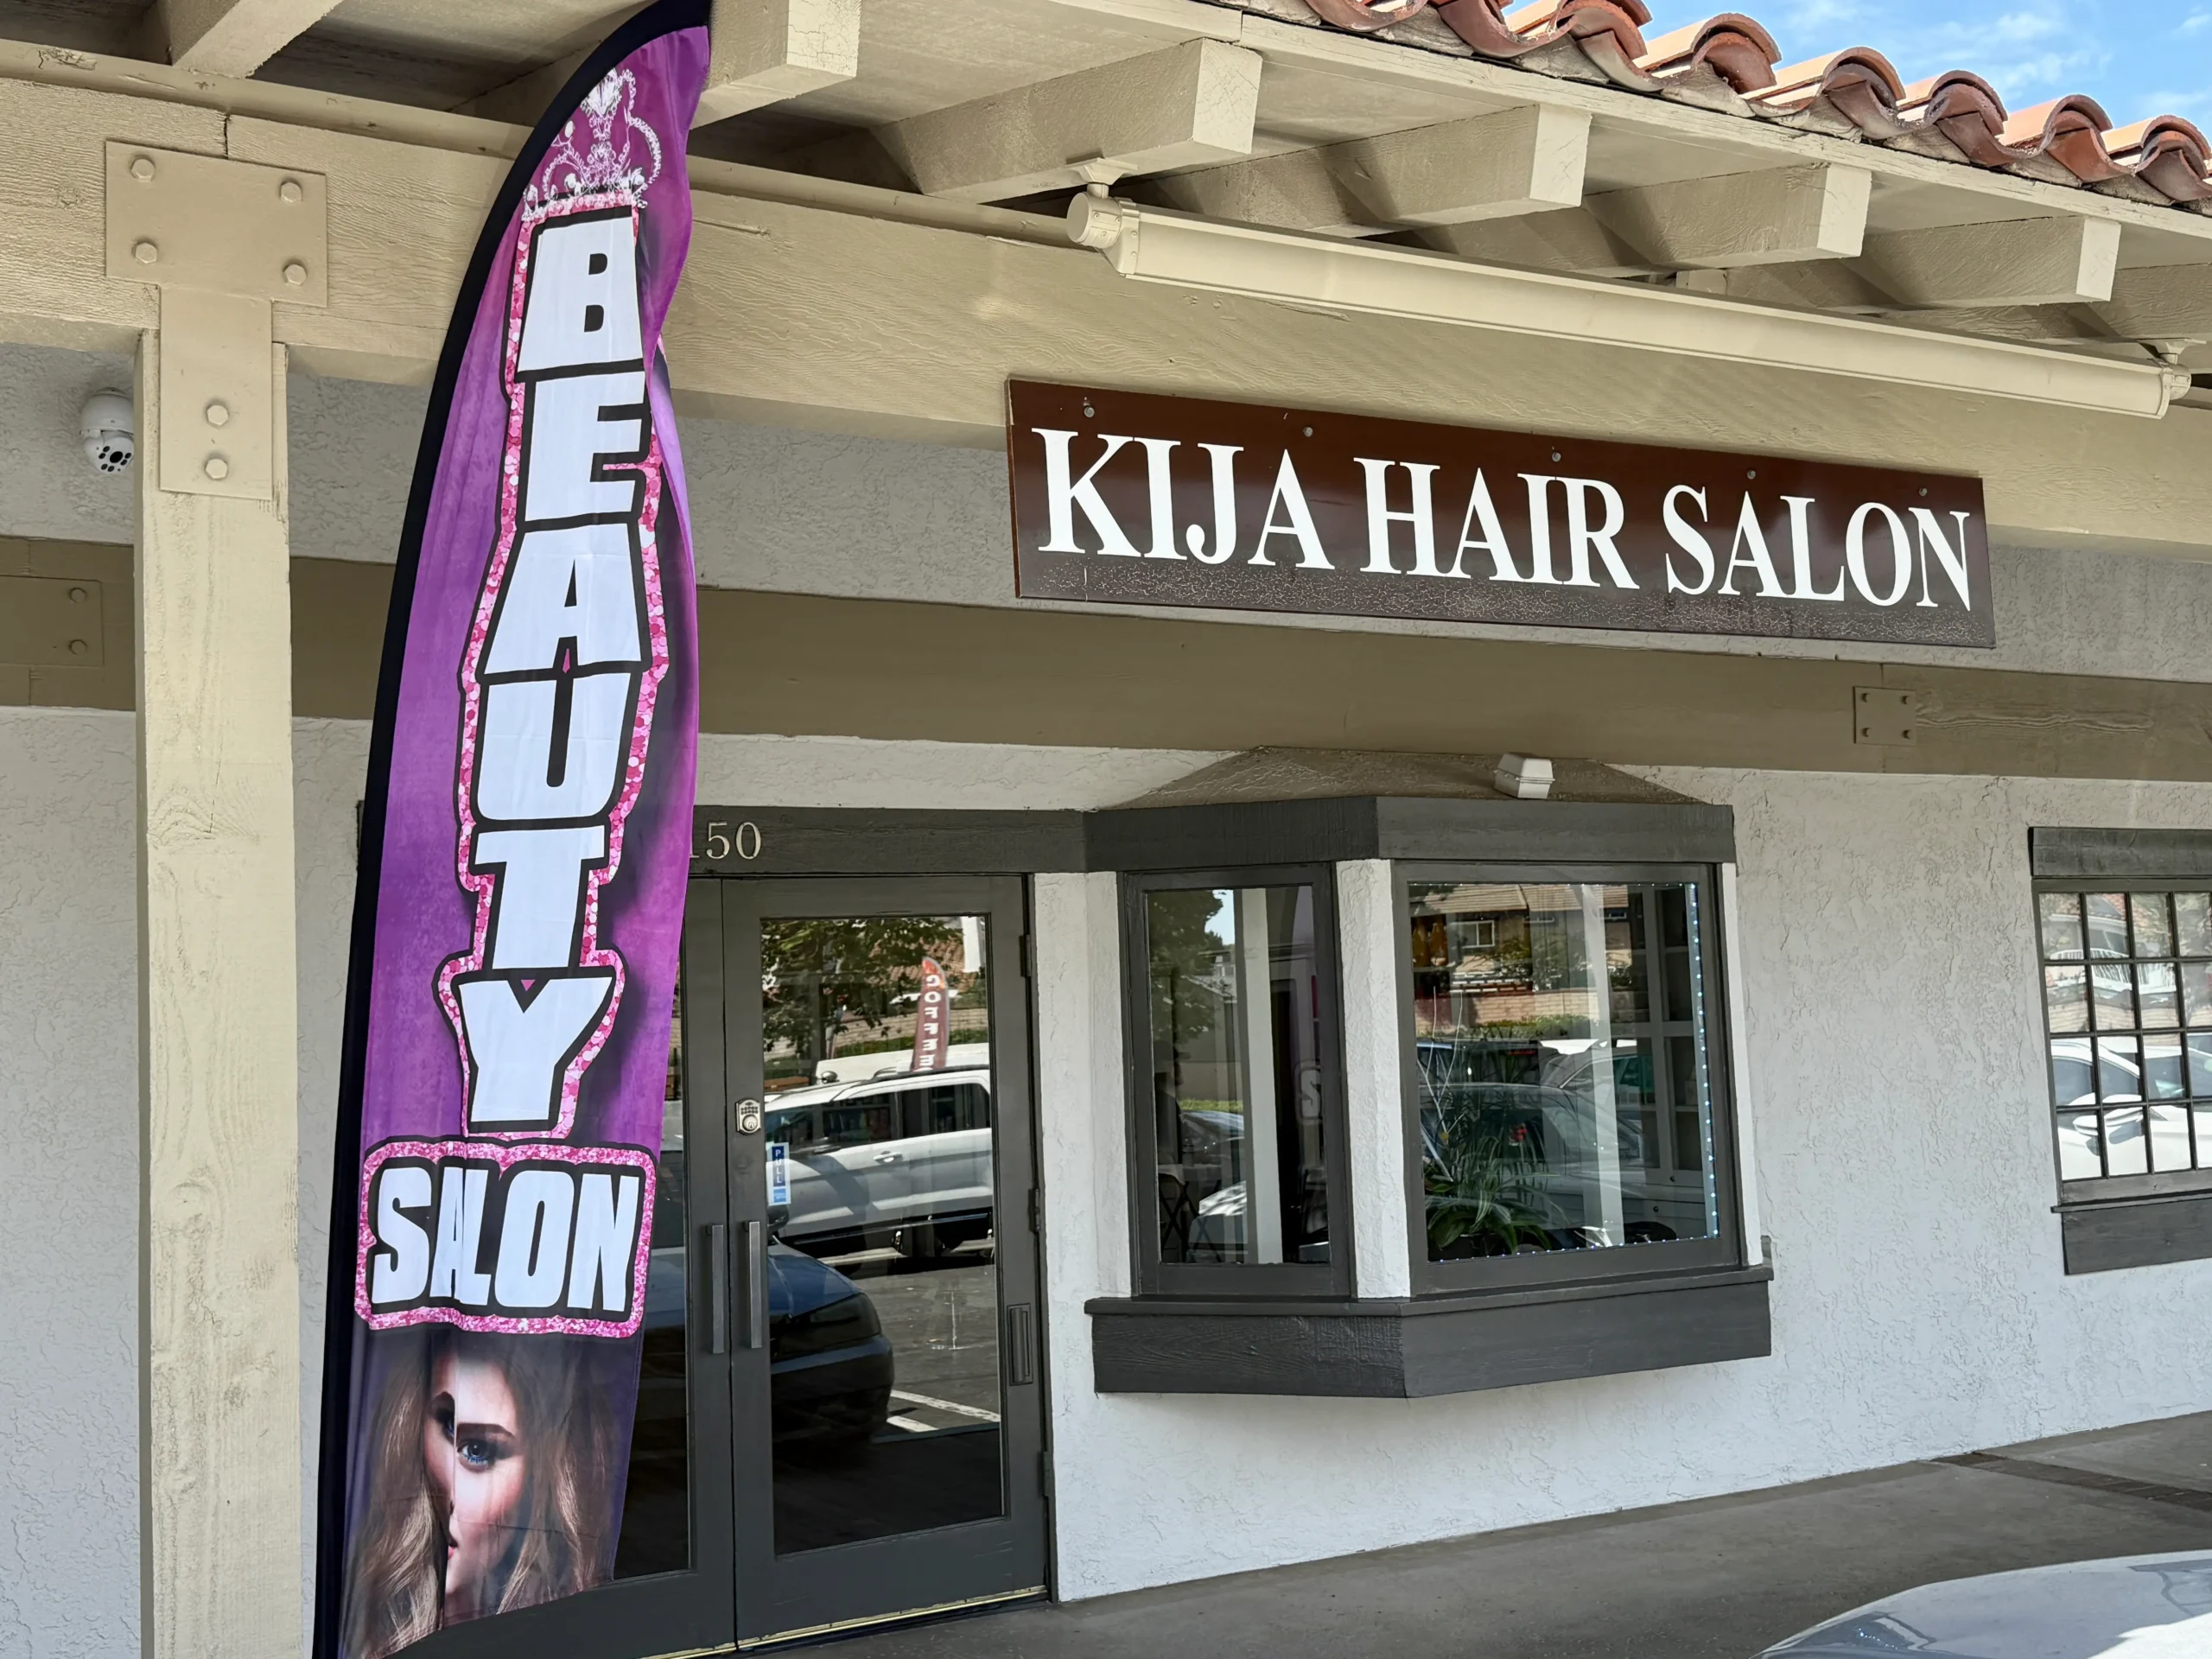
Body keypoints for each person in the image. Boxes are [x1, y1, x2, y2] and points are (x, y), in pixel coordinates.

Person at [342, 1325, 628, 1659]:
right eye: (447, 1426)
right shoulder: (363, 1616)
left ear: (539, 1486)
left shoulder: (557, 1636)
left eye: (478, 1450)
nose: (446, 1494)